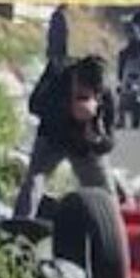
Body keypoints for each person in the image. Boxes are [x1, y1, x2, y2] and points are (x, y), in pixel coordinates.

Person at [14, 56, 117, 219]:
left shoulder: (104, 93)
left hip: (84, 145)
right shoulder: (58, 73)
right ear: (75, 77)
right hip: (52, 137)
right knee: (34, 181)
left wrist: (96, 139)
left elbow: (110, 141)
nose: (84, 94)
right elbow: (34, 105)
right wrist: (67, 109)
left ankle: (109, 233)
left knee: (106, 196)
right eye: (80, 91)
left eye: (89, 94)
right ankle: (21, 224)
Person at [46, 5, 69, 71]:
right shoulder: (57, 17)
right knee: (56, 65)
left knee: (57, 64)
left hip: (57, 48)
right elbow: (54, 33)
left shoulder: (59, 16)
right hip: (57, 49)